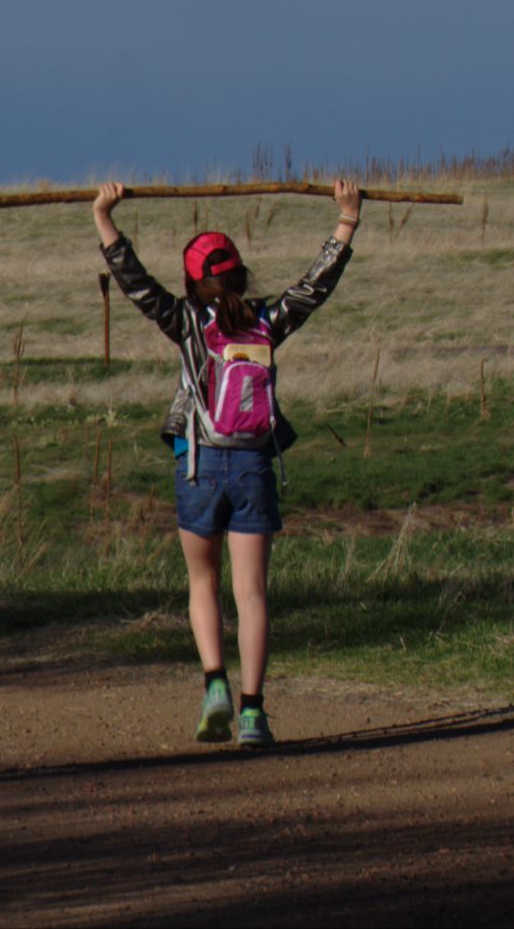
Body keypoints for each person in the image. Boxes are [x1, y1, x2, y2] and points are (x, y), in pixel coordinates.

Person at [94, 178, 360, 747]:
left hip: (199, 466)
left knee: (202, 581)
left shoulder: (186, 322)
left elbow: (135, 284)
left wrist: (104, 216)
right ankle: (253, 714)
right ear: (238, 274)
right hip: (253, 468)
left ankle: (214, 683)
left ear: (193, 282)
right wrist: (347, 221)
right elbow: (316, 288)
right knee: (252, 592)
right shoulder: (268, 321)